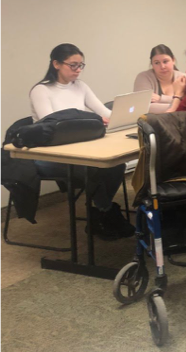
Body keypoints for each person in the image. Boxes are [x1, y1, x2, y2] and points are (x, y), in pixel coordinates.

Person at [29, 43, 134, 240]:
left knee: (115, 166)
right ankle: (105, 212)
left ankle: (100, 213)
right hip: (48, 156)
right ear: (56, 64)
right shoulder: (41, 90)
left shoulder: (81, 87)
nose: (78, 70)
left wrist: (123, 117)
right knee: (92, 169)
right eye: (73, 65)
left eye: (81, 65)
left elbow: (105, 113)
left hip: (80, 149)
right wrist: (89, 121)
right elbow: (52, 125)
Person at [133, 44, 186, 114]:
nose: (162, 66)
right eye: (157, 63)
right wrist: (179, 102)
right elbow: (143, 107)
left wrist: (161, 99)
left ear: (173, 60)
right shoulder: (143, 77)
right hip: (151, 123)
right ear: (152, 64)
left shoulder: (184, 78)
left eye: (165, 61)